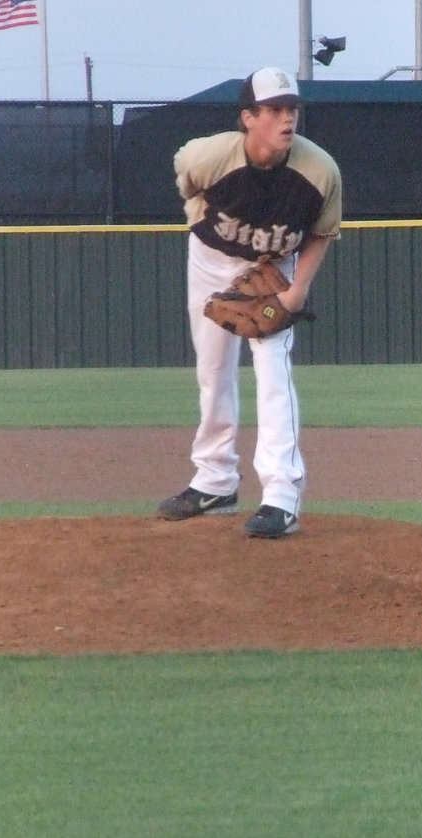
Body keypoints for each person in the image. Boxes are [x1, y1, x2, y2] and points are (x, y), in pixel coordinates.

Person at [157, 66, 342, 538]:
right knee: (213, 370)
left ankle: (281, 496)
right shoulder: (209, 156)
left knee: (273, 373)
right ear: (248, 117)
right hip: (211, 260)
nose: (287, 119)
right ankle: (214, 480)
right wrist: (196, 213)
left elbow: (321, 233)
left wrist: (297, 288)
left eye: (292, 109)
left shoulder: (319, 171)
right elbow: (186, 178)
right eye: (275, 110)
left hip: (274, 268)